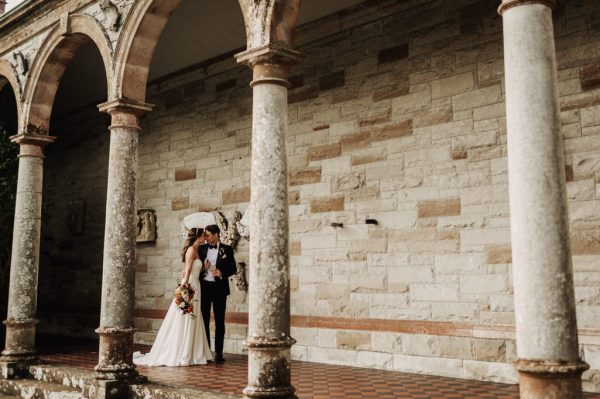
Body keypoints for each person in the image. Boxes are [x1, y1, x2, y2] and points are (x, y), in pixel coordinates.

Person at [133, 228, 213, 366]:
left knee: (193, 317)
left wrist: (204, 268)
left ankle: (194, 351)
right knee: (185, 316)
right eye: (203, 235)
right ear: (198, 237)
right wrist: (183, 290)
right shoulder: (191, 251)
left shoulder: (196, 250)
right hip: (190, 287)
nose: (205, 237)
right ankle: (182, 352)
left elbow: (194, 270)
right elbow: (187, 271)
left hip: (196, 285)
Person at [199, 224, 237, 363]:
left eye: (208, 235)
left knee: (219, 321)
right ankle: (207, 352)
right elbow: (193, 264)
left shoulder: (227, 249)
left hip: (219, 288)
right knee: (204, 320)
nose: (206, 238)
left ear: (216, 234)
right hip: (204, 288)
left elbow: (233, 268)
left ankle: (219, 353)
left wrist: (222, 273)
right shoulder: (201, 248)